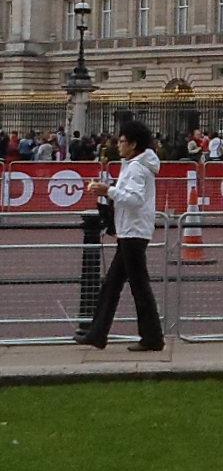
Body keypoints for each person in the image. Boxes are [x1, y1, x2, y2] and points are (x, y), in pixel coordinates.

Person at [75, 120, 165, 352]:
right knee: (113, 285)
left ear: (133, 144)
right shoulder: (134, 165)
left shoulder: (136, 168)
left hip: (133, 232)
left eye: (123, 141)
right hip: (131, 230)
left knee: (136, 286)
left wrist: (108, 191)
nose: (119, 145)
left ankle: (152, 337)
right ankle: (98, 334)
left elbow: (134, 200)